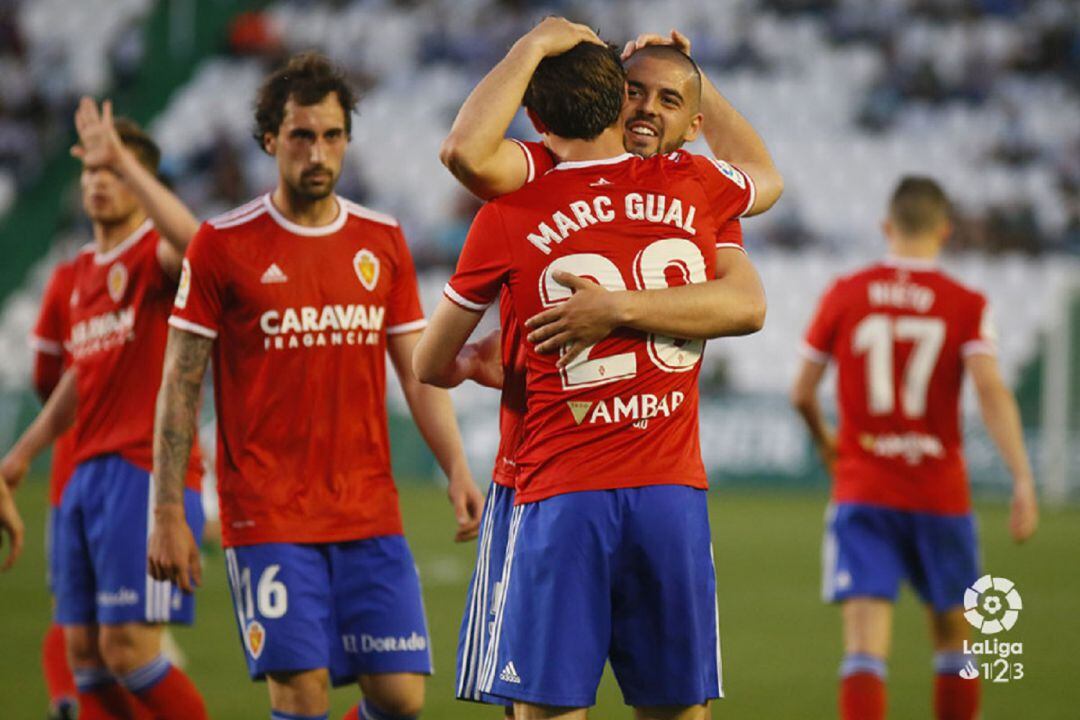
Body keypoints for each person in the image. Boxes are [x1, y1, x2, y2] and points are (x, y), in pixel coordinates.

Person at [415, 34, 779, 719]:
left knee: (546, 708)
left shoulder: (518, 197)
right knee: (678, 709)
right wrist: (695, 84)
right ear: (618, 103)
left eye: (669, 99)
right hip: (670, 493)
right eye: (635, 92)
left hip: (557, 489)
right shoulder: (697, 187)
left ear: (538, 120)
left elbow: (428, 362)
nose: (647, 109)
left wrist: (531, 42)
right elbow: (762, 200)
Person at [147, 52, 484, 720]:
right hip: (267, 511)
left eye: (332, 135)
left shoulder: (382, 240)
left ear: (348, 141)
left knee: (399, 697)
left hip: (366, 507)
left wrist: (456, 466)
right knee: (300, 696)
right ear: (271, 140)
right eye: (302, 135)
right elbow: (180, 384)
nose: (318, 151)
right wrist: (166, 513)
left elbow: (416, 370)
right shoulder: (221, 244)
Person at [789, 177, 1039, 720]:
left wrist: (829, 445)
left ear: (887, 227)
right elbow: (991, 390)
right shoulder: (966, 304)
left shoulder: (845, 291)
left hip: (864, 488)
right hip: (939, 494)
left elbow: (802, 392)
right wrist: (1022, 477)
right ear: (945, 231)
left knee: (863, 650)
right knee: (955, 645)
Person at [0, 99, 209, 719]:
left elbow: (200, 246)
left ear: (142, 185)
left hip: (142, 471)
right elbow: (79, 377)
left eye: (112, 172)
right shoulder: (82, 271)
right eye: (90, 172)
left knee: (129, 651)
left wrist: (123, 158)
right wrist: (21, 455)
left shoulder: (153, 256)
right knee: (87, 657)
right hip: (83, 474)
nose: (96, 182)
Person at [29, 256, 80, 719]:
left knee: (68, 606)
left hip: (71, 467)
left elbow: (44, 375)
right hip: (136, 465)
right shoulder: (157, 264)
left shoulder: (67, 276)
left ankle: (66, 697)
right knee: (127, 631)